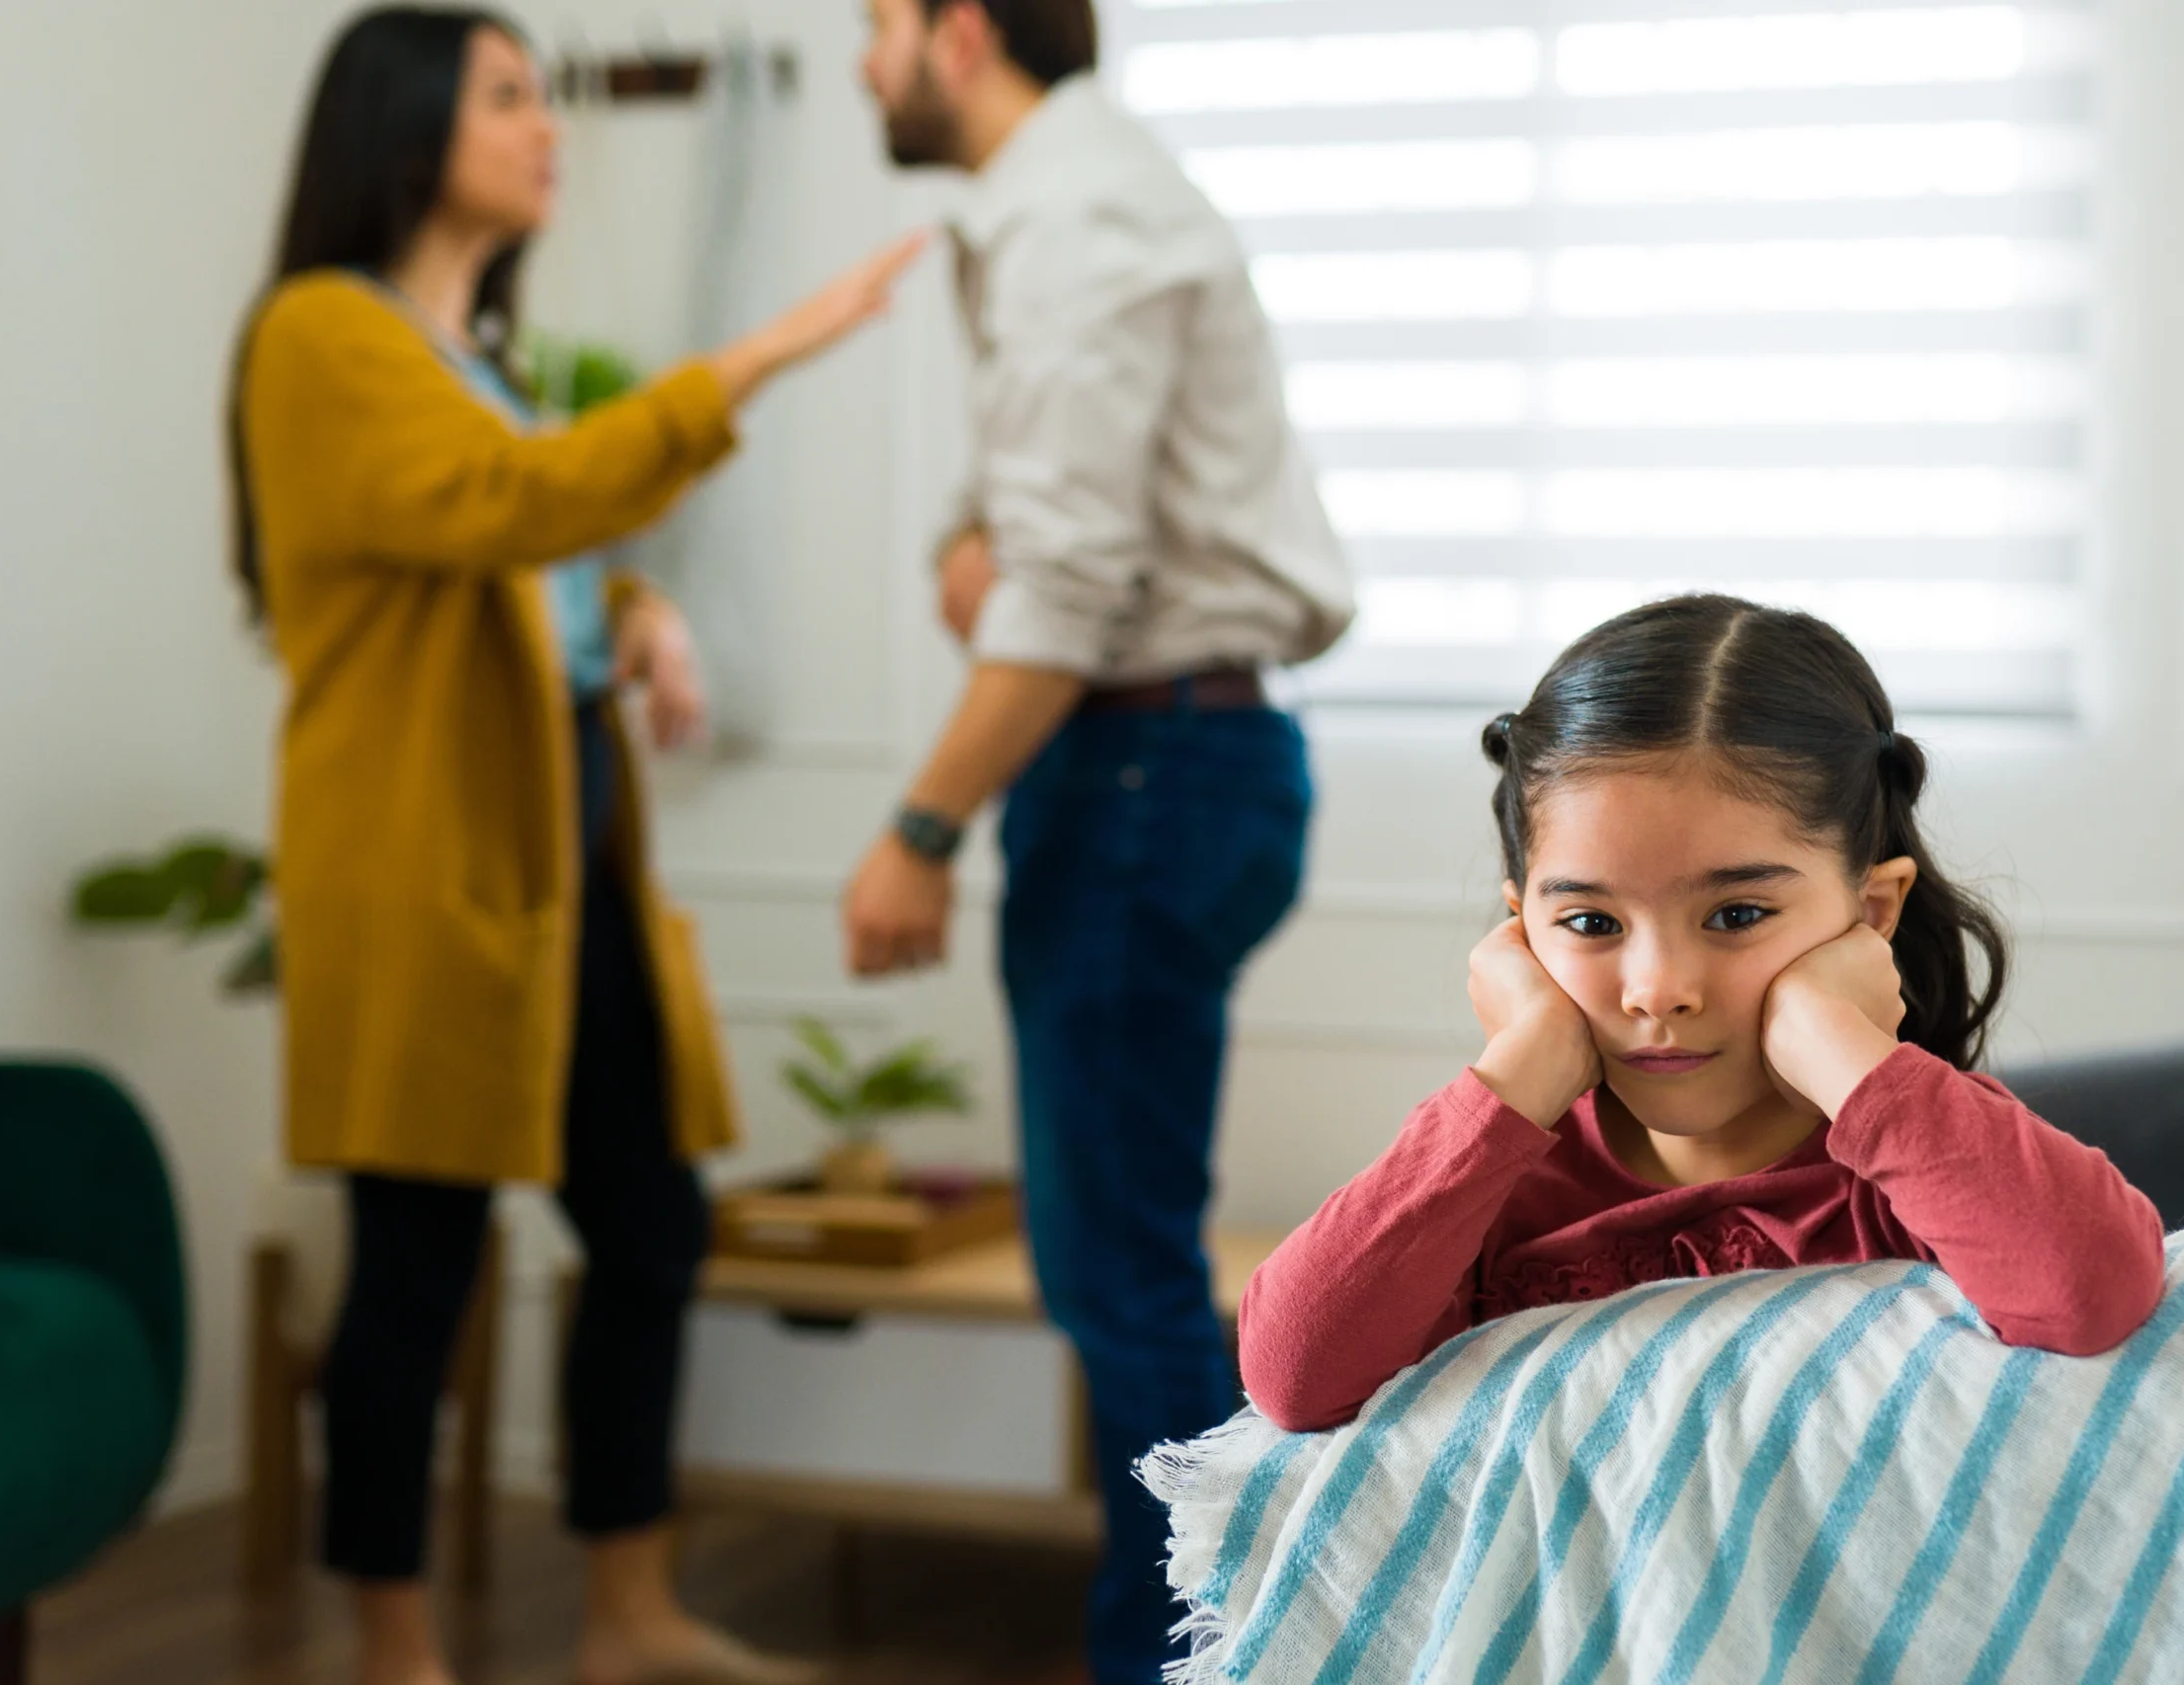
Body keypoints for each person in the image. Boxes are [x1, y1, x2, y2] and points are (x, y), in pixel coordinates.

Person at [230, 10, 924, 1684]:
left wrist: (638, 608)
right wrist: (757, 356)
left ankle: (627, 1614)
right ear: (404, 127)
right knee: (423, 1261)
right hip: (423, 868)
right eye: (511, 97)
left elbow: (522, 550)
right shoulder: (323, 335)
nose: (549, 128)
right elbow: (504, 505)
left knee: (649, 1224)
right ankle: (392, 1645)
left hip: (569, 857)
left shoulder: (479, 355)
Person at [845, 1, 1354, 1677]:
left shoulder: (1072, 215)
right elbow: (1003, 542)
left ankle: (1185, 1655)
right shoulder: (1074, 205)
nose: (864, 64)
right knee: (1130, 1261)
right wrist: (991, 555)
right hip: (1171, 756)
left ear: (959, 28)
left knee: (1120, 1279)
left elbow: (1051, 594)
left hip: (1147, 766)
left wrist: (918, 828)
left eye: (875, 27)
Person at [1239, 596, 2169, 1435]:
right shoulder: (1494, 1184)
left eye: (1735, 916)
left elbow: (2093, 1292)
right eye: (1592, 923)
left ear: (1870, 914)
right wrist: (1519, 1071)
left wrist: (1843, 1055)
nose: (1658, 988)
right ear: (1519, 937)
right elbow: (1293, 1377)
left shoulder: (1924, 1162)